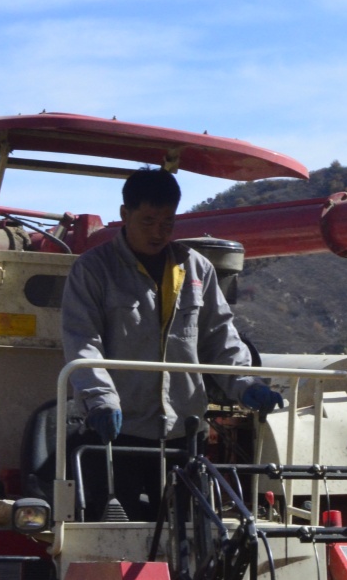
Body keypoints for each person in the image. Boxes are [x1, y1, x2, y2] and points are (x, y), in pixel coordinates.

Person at [60, 168, 284, 519]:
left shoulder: (197, 269)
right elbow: (82, 341)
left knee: (190, 541)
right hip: (116, 434)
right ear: (125, 214)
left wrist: (247, 384)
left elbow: (219, 337)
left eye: (167, 222)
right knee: (111, 540)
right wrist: (100, 399)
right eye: (148, 221)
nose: (158, 232)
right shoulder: (93, 270)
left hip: (184, 432)